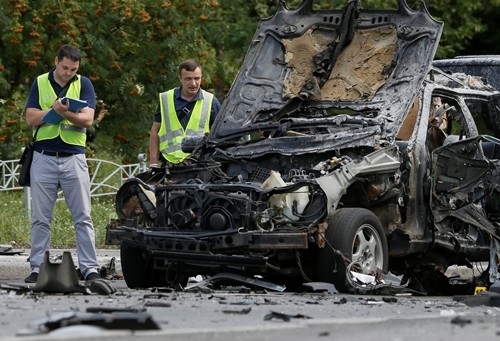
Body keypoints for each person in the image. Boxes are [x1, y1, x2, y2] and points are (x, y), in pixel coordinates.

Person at [23, 44, 101, 283]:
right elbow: (30, 117)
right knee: (40, 217)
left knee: (83, 216)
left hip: (74, 157)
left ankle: (89, 268)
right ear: (56, 61)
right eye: (65, 67)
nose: (68, 73)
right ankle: (38, 267)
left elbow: (87, 119)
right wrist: (52, 111)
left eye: (73, 69)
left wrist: (64, 113)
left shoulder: (84, 83)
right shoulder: (40, 82)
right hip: (44, 156)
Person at [149, 59, 221, 167]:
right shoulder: (166, 99)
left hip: (199, 165)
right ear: (180, 78)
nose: (193, 83)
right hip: (169, 165)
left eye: (197, 78)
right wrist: (153, 164)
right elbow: (155, 131)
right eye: (188, 79)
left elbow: (220, 136)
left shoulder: (211, 101)